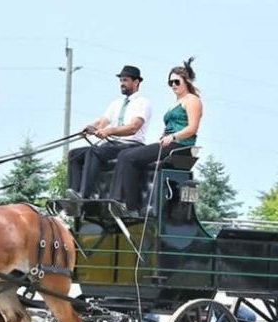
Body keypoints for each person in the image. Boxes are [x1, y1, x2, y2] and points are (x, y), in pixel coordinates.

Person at [108, 57, 203, 216]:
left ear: (186, 82)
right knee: (124, 154)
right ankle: (116, 199)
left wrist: (172, 137)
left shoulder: (192, 100)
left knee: (129, 157)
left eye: (176, 82)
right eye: (170, 82)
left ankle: (130, 206)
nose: (173, 85)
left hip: (180, 146)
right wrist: (163, 136)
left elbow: (192, 128)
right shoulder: (176, 102)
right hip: (168, 143)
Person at [65, 64, 151, 200]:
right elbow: (103, 122)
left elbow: (133, 127)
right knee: (74, 154)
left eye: (125, 80)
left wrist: (109, 131)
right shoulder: (116, 103)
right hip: (113, 144)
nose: (122, 84)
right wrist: (90, 127)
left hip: (131, 144)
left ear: (136, 82)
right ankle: (73, 195)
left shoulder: (142, 103)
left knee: (93, 151)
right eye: (121, 80)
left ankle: (84, 195)